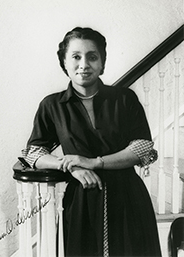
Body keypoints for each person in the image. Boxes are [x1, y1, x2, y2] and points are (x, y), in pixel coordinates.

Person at [21, 27, 162, 257]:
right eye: (76, 57)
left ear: (102, 63)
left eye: (92, 57)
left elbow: (143, 148)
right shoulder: (52, 105)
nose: (84, 64)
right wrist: (71, 165)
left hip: (128, 200)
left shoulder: (124, 99)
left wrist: (95, 162)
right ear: (64, 62)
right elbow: (33, 153)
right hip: (81, 202)